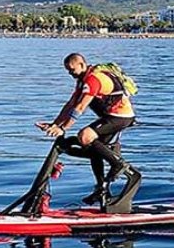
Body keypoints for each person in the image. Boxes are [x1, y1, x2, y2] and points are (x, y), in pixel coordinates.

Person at [36, 53, 141, 212]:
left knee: (85, 136)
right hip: (109, 117)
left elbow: (80, 108)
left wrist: (63, 128)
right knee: (92, 149)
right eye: (68, 70)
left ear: (82, 65)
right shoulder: (82, 81)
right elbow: (71, 104)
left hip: (121, 117)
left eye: (72, 70)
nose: (70, 73)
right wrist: (55, 124)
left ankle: (118, 164)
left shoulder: (93, 80)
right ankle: (101, 189)